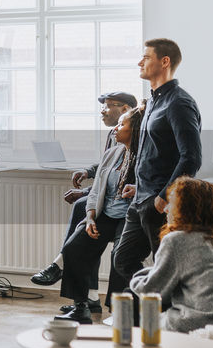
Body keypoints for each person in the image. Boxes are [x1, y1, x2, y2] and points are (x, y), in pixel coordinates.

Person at [109, 38, 202, 348]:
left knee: (159, 278)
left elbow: (191, 157)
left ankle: (148, 343)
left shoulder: (180, 103)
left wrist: (164, 196)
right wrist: (134, 187)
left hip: (160, 204)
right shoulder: (151, 104)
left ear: (164, 62)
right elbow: (144, 151)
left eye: (145, 57)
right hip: (140, 202)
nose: (139, 62)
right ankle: (141, 324)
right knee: (122, 263)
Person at [30, 91, 139, 315]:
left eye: (109, 106)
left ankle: (66, 271)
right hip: (108, 203)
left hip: (128, 211)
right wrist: (89, 178)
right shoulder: (115, 138)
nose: (103, 110)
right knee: (82, 226)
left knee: (117, 250)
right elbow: (105, 173)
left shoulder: (143, 149)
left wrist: (89, 194)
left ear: (126, 110)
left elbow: (131, 182)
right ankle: (85, 299)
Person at [130, 177, 213, 333]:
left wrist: (136, 278)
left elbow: (151, 289)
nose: (166, 209)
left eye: (172, 203)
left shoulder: (178, 240)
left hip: (200, 328)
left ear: (185, 208)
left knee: (131, 296)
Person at [54, 104, 143, 323]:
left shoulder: (146, 157)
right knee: (73, 248)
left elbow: (154, 186)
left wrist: (138, 189)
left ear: (136, 129)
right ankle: (81, 306)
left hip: (130, 217)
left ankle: (121, 312)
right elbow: (96, 190)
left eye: (122, 124)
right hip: (105, 215)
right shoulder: (112, 153)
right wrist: (91, 216)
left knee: (120, 256)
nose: (116, 128)